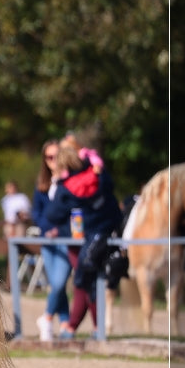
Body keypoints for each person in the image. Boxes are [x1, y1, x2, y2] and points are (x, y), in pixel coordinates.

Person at [46, 138, 122, 339]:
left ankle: (81, 328)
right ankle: (86, 328)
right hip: (113, 227)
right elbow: (111, 186)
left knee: (83, 279)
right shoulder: (96, 170)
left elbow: (53, 215)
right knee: (91, 280)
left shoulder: (66, 186)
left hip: (90, 236)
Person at [32, 140, 73, 341]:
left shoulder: (69, 180)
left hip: (65, 238)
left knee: (58, 282)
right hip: (47, 241)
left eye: (56, 156)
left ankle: (46, 318)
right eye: (49, 157)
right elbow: (37, 213)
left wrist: (60, 229)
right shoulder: (41, 184)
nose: (53, 160)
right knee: (58, 284)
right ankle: (65, 323)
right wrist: (47, 230)